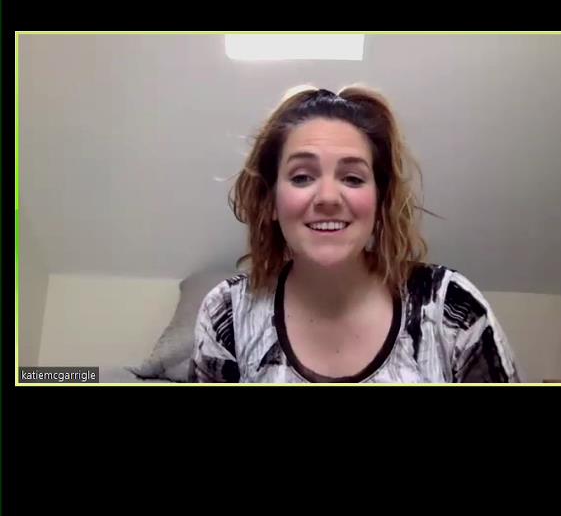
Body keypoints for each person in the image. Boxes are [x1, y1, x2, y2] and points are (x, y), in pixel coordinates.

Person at [192, 86, 520, 383]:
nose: (328, 198)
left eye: (352, 178)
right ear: (271, 201)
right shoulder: (228, 313)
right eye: (302, 177)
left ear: (380, 201)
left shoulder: (452, 308)